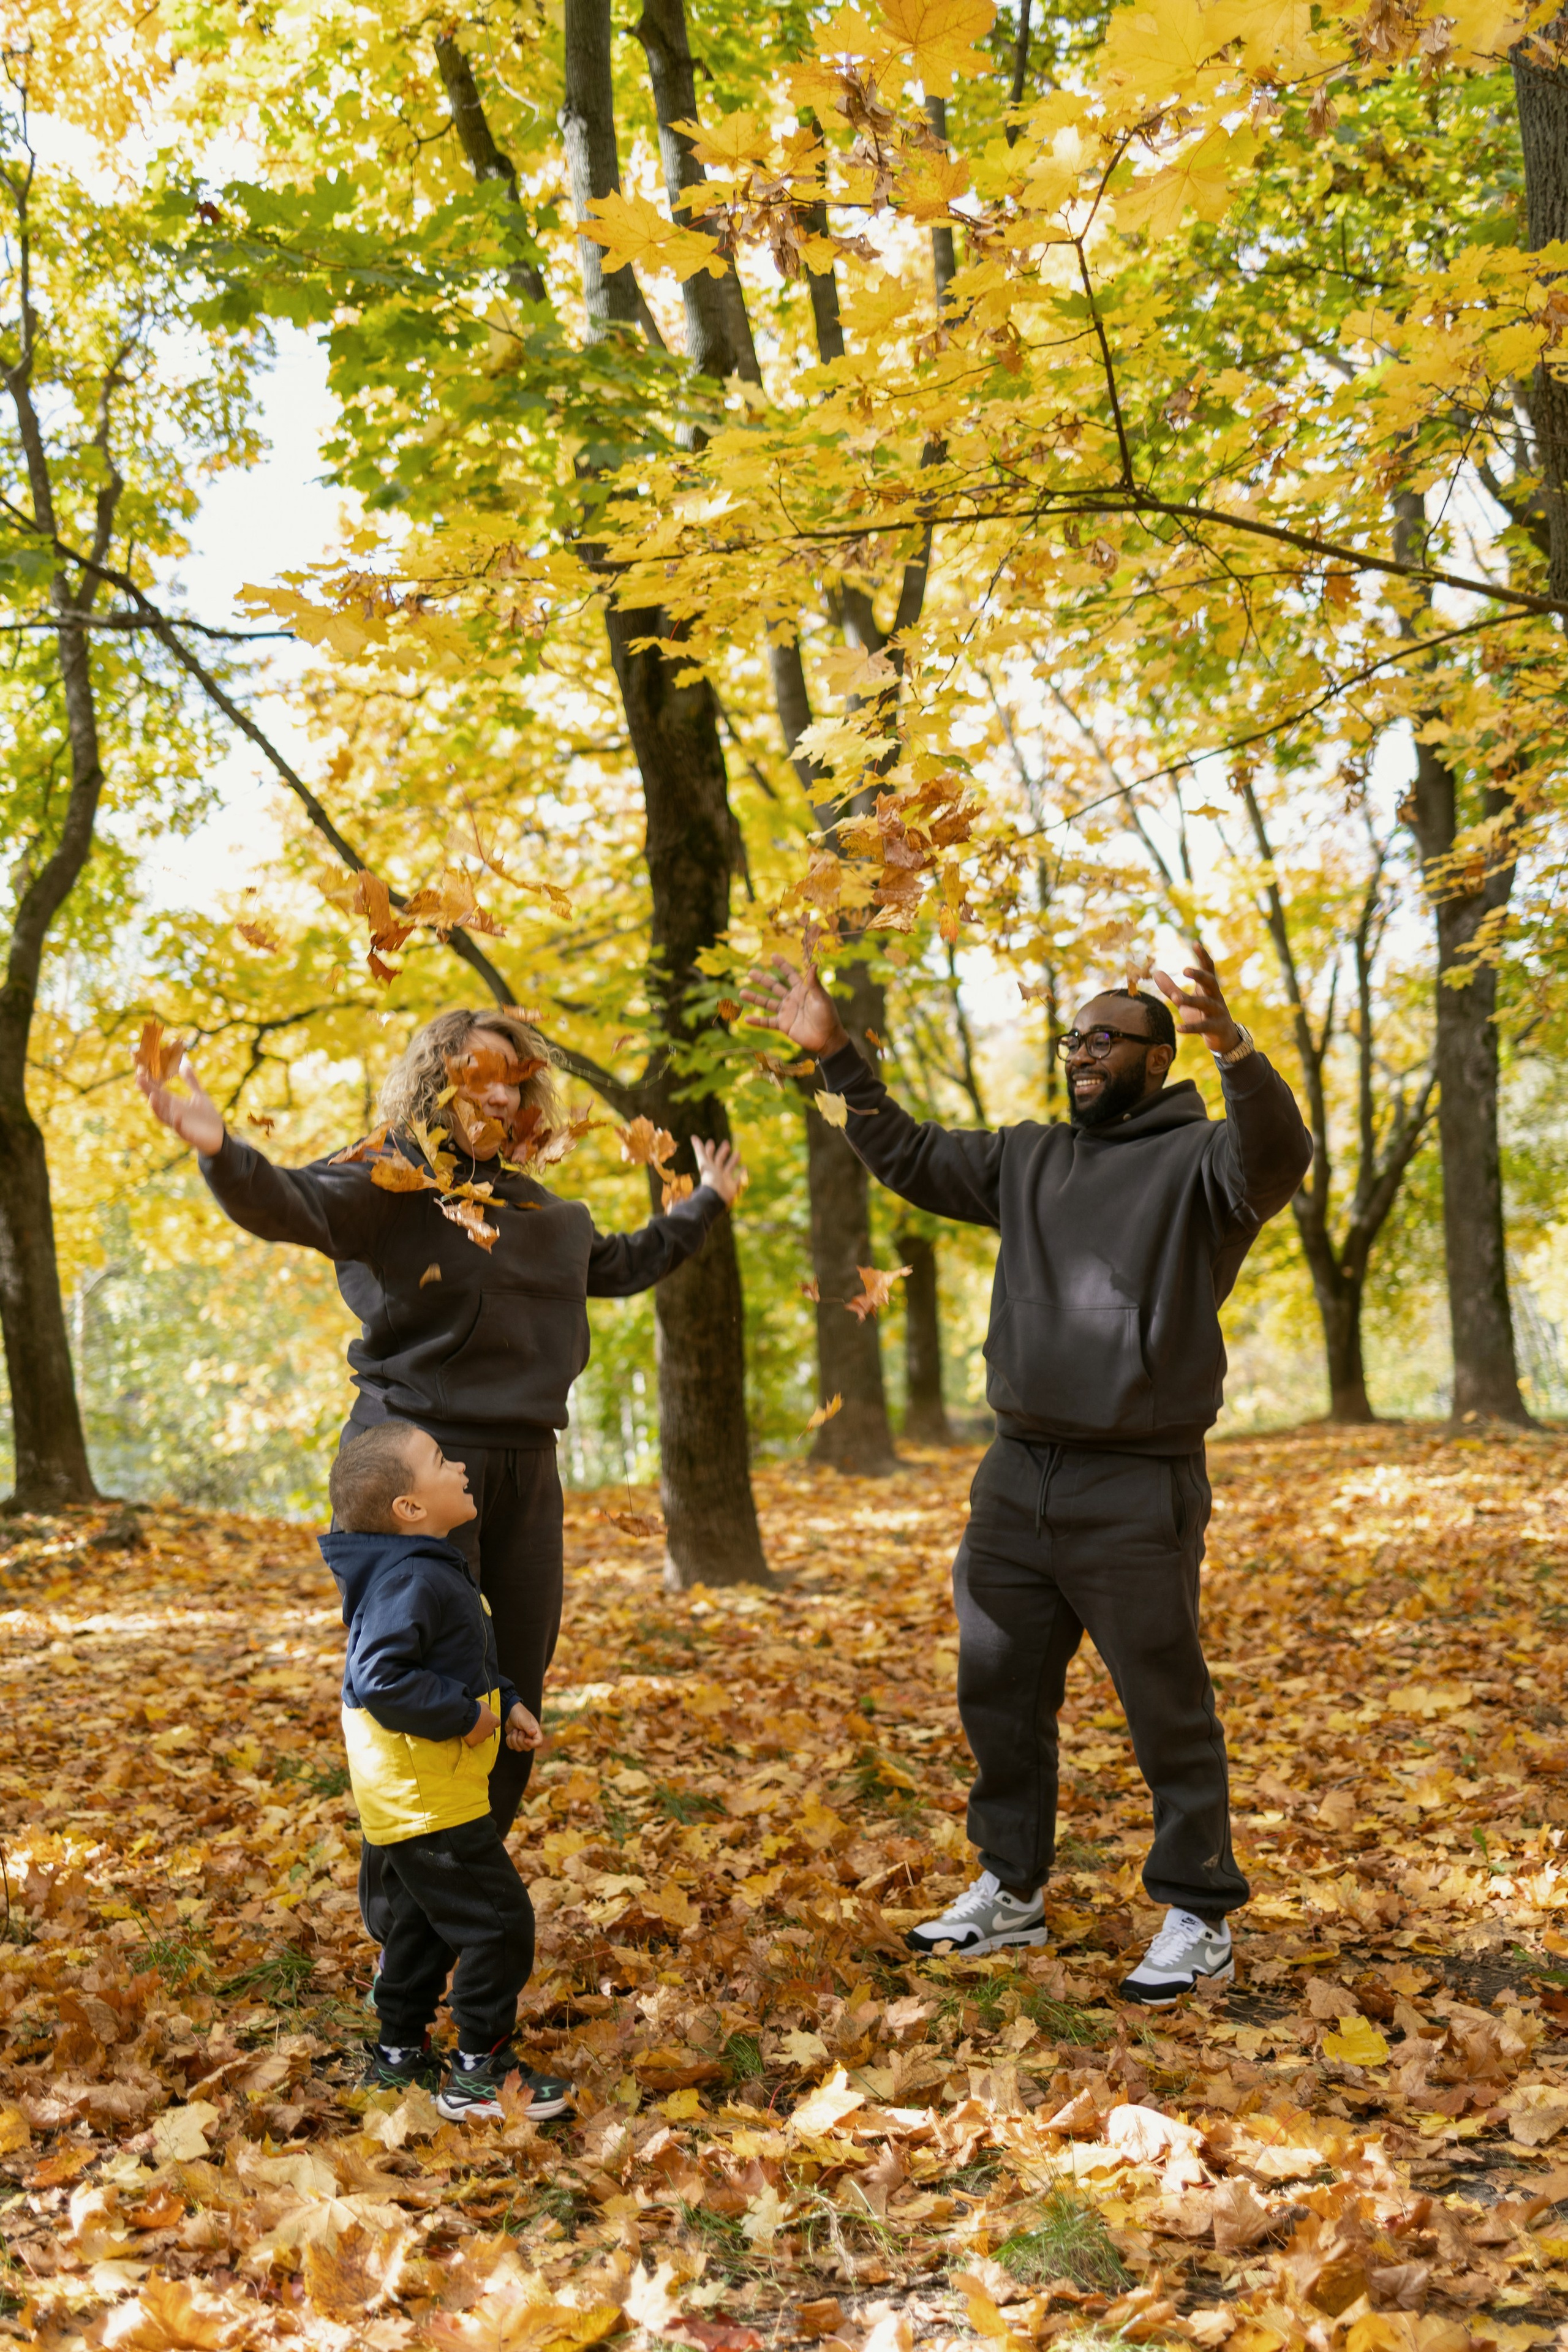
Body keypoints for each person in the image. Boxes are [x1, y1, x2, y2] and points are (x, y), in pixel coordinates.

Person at [744, 946, 1312, 2005]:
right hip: (1014, 1480)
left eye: (1106, 1039)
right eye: (1074, 1039)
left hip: (1136, 1482)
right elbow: (908, 1155)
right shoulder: (1030, 1157)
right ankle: (1010, 1890)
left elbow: (1280, 1158)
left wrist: (1239, 1051)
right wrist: (835, 1058)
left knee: (1165, 1705)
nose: (1082, 1055)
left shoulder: (1205, 1163)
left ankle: (1198, 1912)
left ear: (1158, 1058)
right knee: (998, 1695)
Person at [138, 1005, 745, 1855]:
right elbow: (292, 1202)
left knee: (514, 1690)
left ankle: (470, 1875)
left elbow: (625, 1262)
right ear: (434, 1081)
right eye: (478, 1072)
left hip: (528, 1469)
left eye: (517, 1078)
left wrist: (708, 1201)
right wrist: (222, 1151)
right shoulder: (392, 1180)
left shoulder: (549, 1215)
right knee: (426, 1677)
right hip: (414, 1461)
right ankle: (406, 1907)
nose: (500, 1092)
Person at [323, 1417, 570, 2119]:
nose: (459, 1465)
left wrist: (509, 1701)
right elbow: (381, 1678)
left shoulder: (425, 1570)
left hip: (420, 1792)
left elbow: (458, 1661)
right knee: (498, 1924)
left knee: (425, 1924)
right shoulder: (410, 1580)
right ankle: (478, 2074)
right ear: (410, 1508)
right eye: (439, 1460)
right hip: (427, 1795)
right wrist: (465, 1719)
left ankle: (398, 2053)